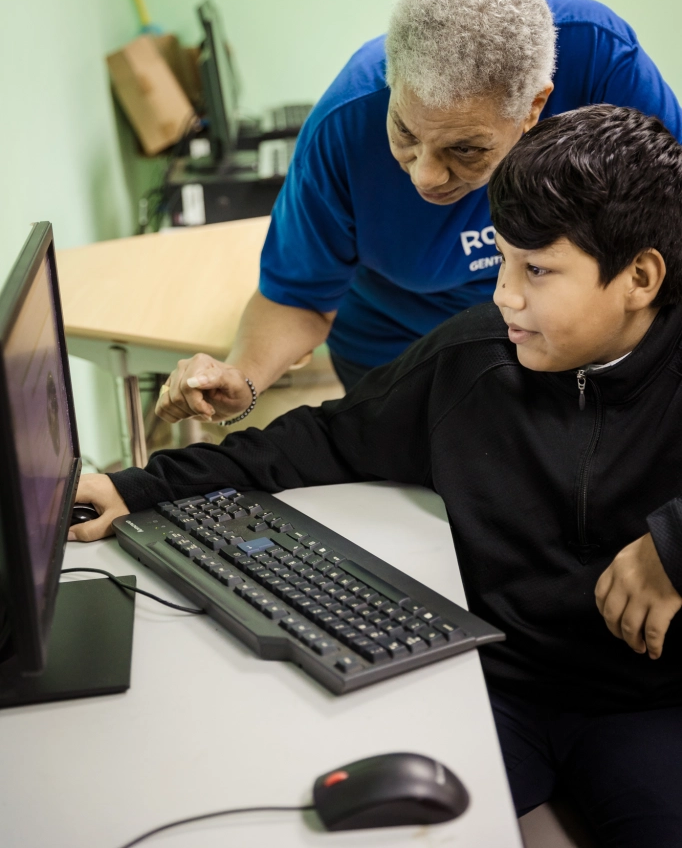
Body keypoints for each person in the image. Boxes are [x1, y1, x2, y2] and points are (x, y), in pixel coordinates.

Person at [75, 104, 682, 846]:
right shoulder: (475, 357)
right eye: (502, 258)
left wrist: (673, 543)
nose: (504, 293)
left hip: (652, 704)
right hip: (499, 683)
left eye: (539, 270)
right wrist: (137, 486)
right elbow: (319, 437)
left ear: (640, 277)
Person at [155, 0, 682, 427]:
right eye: (405, 133)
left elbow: (664, 236)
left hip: (574, 343)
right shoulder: (344, 128)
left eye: (466, 149)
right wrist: (242, 381)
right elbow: (298, 295)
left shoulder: (603, 65)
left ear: (534, 106)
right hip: (400, 346)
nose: (426, 176)